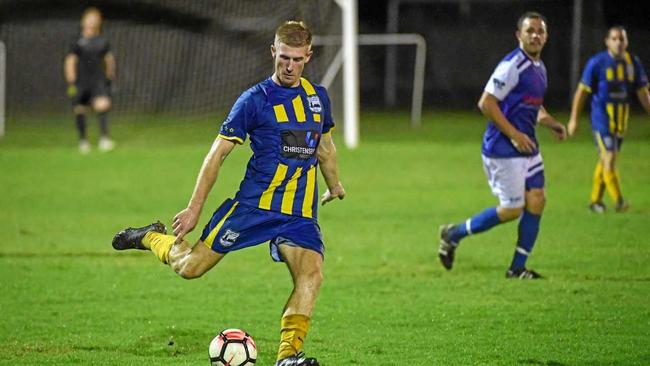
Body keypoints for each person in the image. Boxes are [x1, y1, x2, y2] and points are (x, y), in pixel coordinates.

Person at [112, 21, 345, 366]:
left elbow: (325, 147)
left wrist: (335, 184)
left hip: (298, 214)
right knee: (190, 267)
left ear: (308, 56)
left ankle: (287, 357)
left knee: (312, 274)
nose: (289, 66)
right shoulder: (254, 100)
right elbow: (217, 154)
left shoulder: (317, 98)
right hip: (253, 207)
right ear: (273, 52)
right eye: (284, 58)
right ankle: (151, 238)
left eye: (297, 59)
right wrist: (193, 209)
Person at [437, 12, 566, 279]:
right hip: (503, 148)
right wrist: (514, 135)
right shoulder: (512, 66)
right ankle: (453, 234)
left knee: (538, 200)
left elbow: (531, 104)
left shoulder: (539, 67)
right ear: (519, 35)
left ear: (546, 36)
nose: (535, 36)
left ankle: (517, 268)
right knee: (512, 210)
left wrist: (550, 122)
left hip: (527, 146)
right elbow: (487, 102)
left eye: (540, 31)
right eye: (530, 31)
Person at [567, 26, 650, 213]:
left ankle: (595, 202)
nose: (618, 42)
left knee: (605, 161)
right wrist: (574, 119)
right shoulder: (597, 63)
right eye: (614, 39)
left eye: (622, 39)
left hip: (622, 120)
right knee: (610, 158)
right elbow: (581, 92)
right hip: (602, 119)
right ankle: (619, 201)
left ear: (626, 42)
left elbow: (643, 92)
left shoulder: (632, 63)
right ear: (607, 41)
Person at [64, 7, 116, 153]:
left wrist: (110, 77)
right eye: (89, 18)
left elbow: (109, 60)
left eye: (95, 18)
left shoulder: (103, 41)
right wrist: (71, 82)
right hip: (81, 82)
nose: (92, 21)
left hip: (98, 81)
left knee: (102, 106)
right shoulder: (77, 42)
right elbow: (70, 61)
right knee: (80, 109)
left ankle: (104, 139)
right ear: (83, 21)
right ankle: (83, 141)